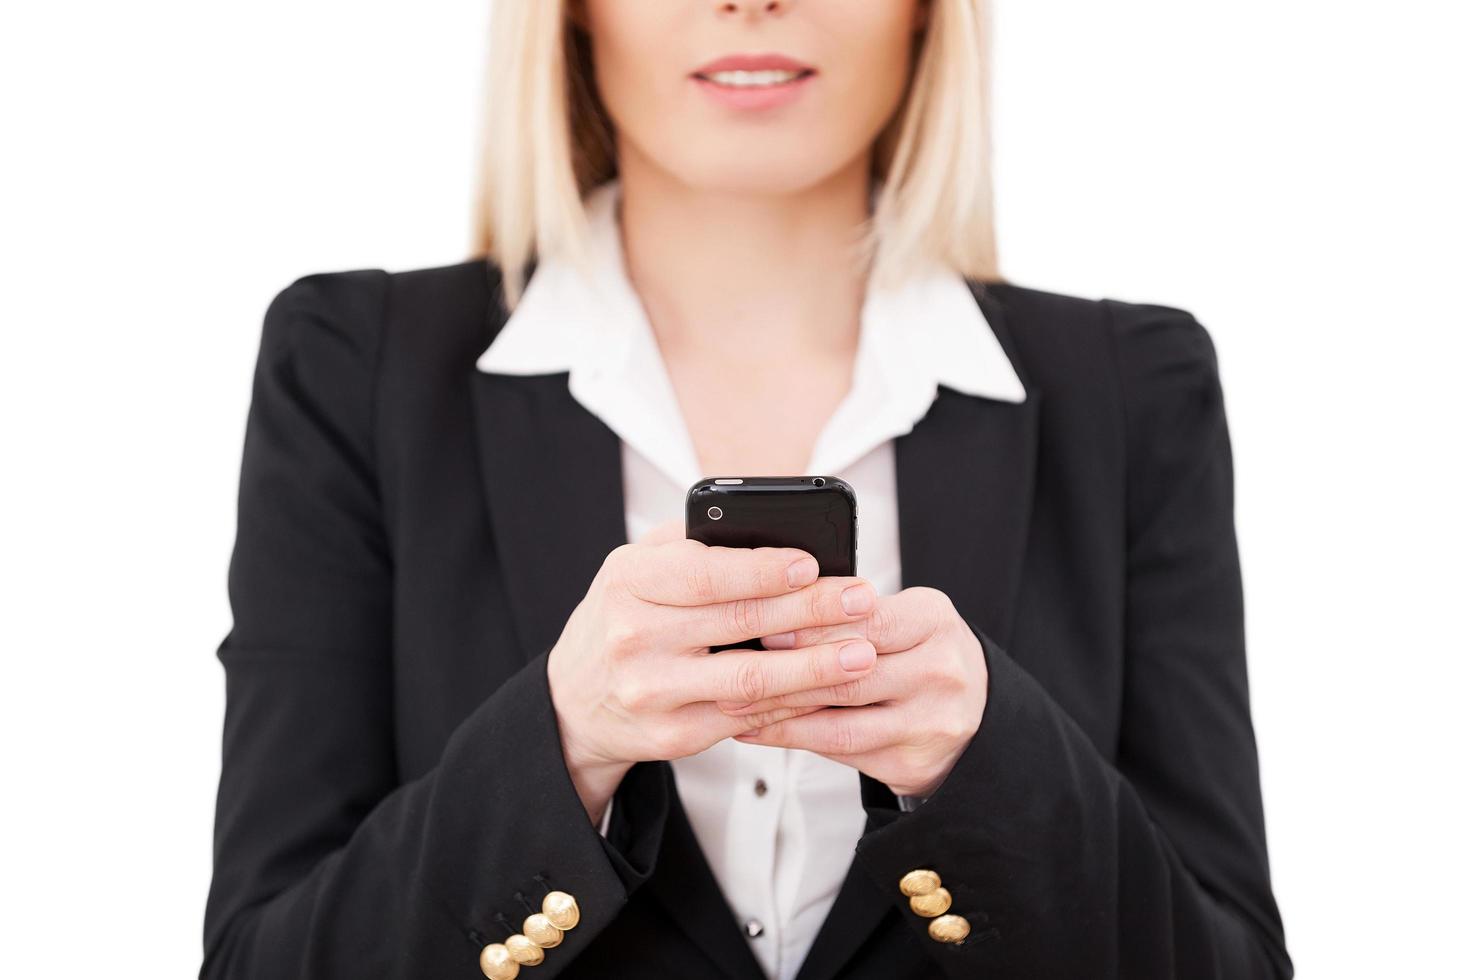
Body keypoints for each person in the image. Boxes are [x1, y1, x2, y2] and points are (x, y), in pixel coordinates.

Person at [201, 1, 1292, 978]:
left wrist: (990, 764)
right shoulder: (357, 368)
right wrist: (564, 741)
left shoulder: (1133, 386)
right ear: (576, 14)